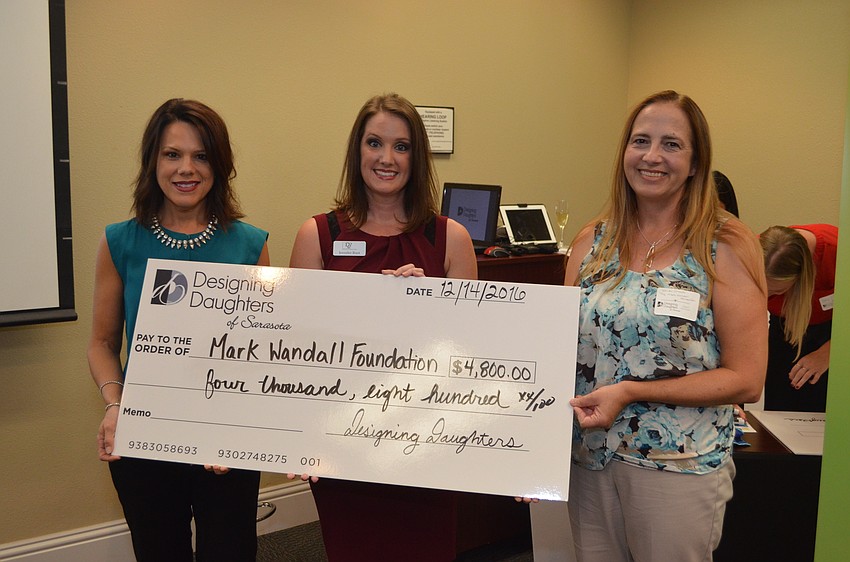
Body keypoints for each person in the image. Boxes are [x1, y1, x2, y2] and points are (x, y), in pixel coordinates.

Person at [563, 90, 767, 561]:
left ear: (696, 163)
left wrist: (633, 390)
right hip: (589, 460)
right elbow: (558, 349)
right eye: (641, 141)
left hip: (678, 464)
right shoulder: (591, 242)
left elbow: (747, 378)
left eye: (672, 145)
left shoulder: (725, 247)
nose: (652, 156)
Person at [289, 92, 477, 561]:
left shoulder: (450, 238)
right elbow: (296, 348)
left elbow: (470, 352)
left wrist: (425, 305)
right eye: (375, 143)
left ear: (417, 157)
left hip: (426, 441)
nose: (387, 158)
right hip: (342, 445)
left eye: (402, 146)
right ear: (357, 151)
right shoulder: (318, 235)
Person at [87, 98, 270, 561]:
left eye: (201, 155)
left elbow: (262, 352)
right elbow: (103, 343)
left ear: (220, 165)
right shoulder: (119, 242)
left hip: (226, 441)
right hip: (144, 436)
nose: (186, 168)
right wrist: (116, 404)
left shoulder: (251, 246)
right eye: (172, 154)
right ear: (153, 162)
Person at [761, 224, 837, 412]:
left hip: (834, 334)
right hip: (782, 329)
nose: (766, 295)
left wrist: (828, 353)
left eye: (777, 291)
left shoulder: (835, 251)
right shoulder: (751, 251)